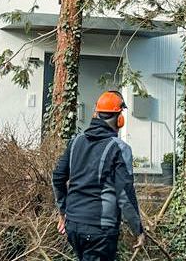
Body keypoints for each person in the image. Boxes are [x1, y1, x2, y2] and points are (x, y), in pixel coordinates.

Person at [52, 91, 145, 261]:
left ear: (96, 114)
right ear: (119, 119)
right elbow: (124, 194)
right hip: (100, 230)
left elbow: (57, 177)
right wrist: (138, 229)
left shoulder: (76, 141)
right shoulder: (119, 148)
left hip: (73, 226)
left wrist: (63, 213)